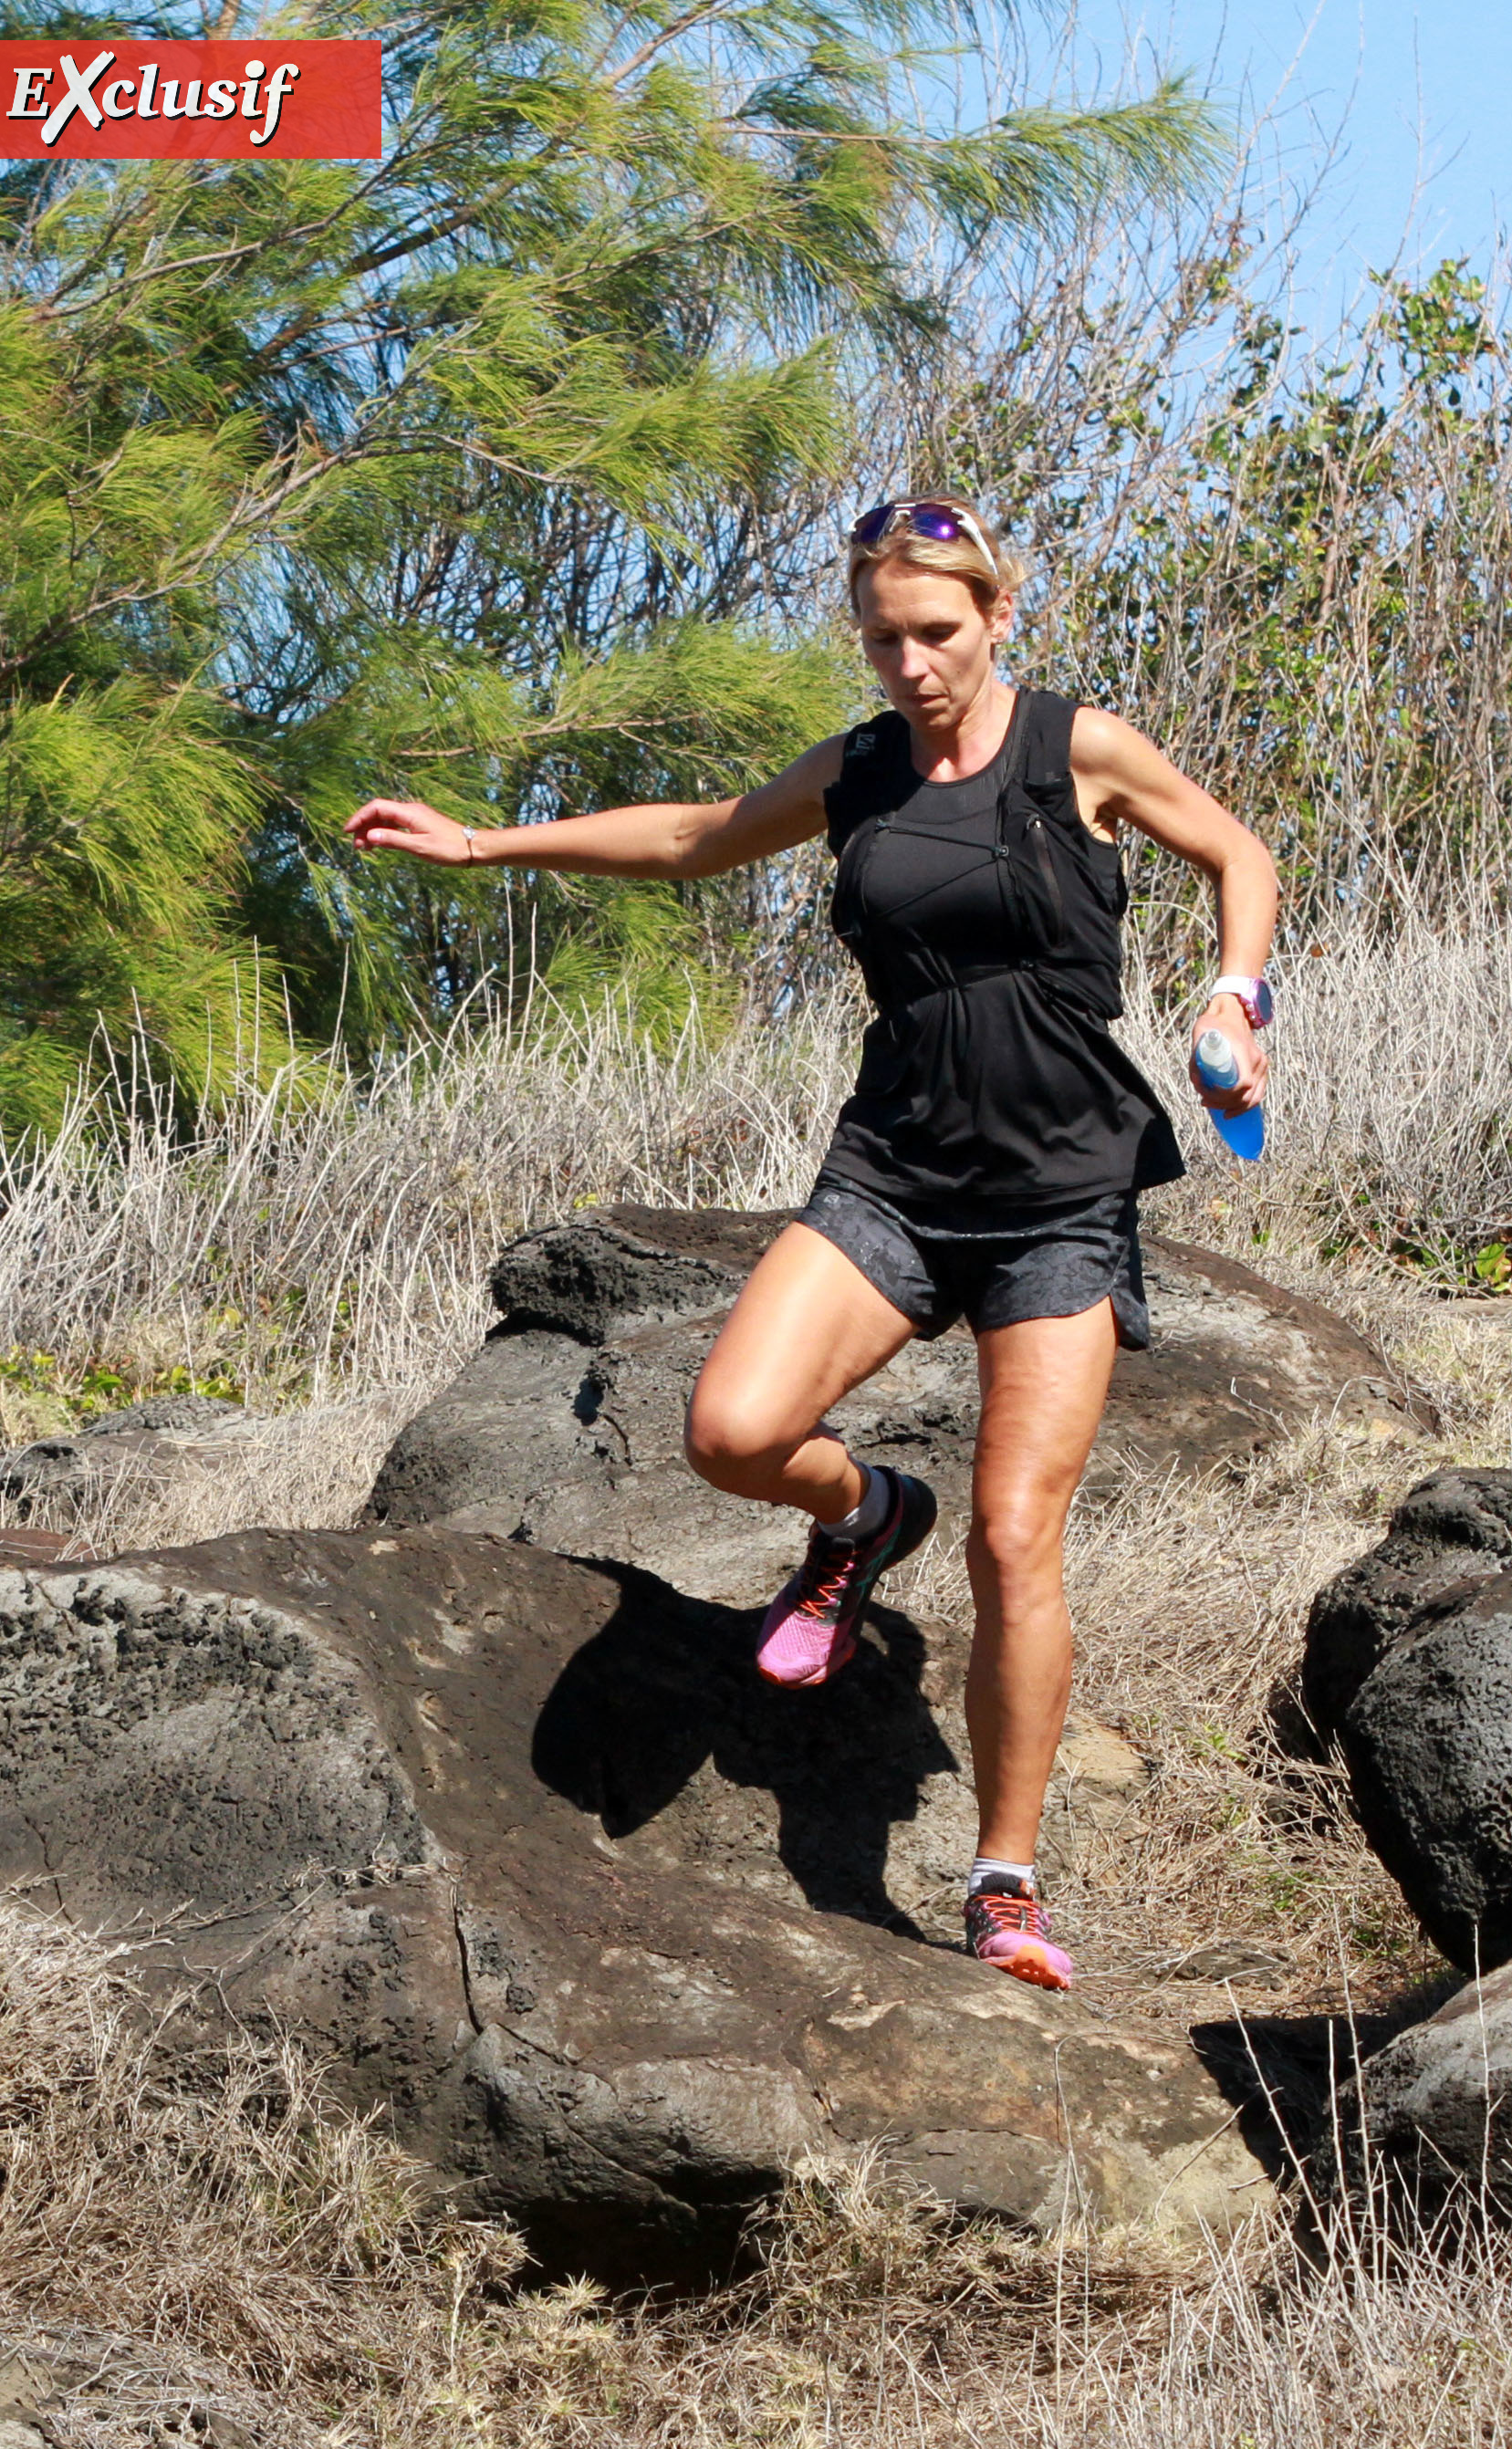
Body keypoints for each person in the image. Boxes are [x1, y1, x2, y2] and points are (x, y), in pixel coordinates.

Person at [346, 493, 1276, 1994]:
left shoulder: (1077, 750)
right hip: (893, 1169)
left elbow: (1238, 852)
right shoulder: (859, 770)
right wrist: (481, 844)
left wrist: (1237, 994)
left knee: (1012, 1536)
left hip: (1058, 1194)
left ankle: (1002, 1882)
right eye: (883, 639)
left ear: (997, 615)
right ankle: (861, 1519)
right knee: (733, 1431)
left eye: (938, 633)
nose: (912, 665)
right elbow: (695, 840)